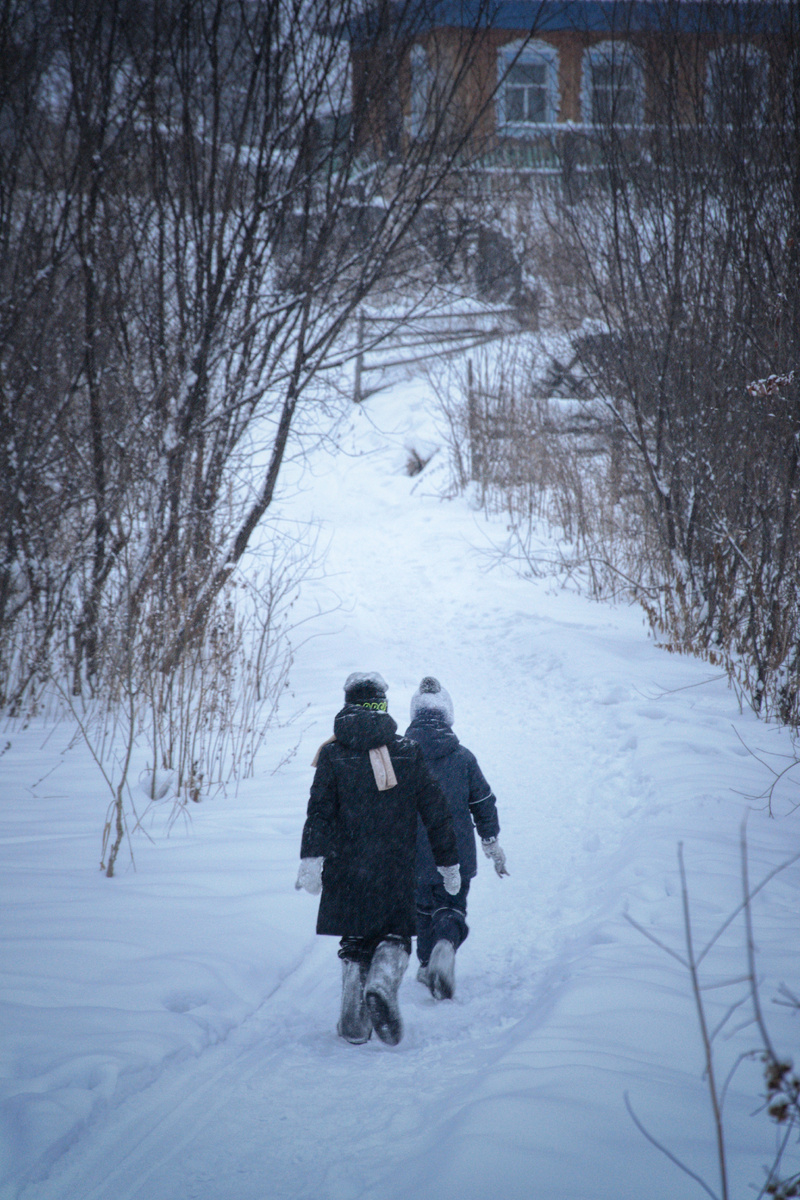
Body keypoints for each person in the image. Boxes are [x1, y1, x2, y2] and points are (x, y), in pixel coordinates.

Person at [296, 671, 460, 1047]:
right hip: (393, 867)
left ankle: (354, 1021)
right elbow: (436, 811)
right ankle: (383, 983)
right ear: (382, 707)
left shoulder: (332, 755)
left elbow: (319, 812)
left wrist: (311, 859)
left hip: (345, 867)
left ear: (348, 706)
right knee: (394, 936)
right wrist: (448, 861)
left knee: (355, 941)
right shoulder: (407, 752)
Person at [405, 676, 507, 1001]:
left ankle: (426, 964)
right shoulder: (462, 758)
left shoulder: (401, 759)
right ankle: (445, 946)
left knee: (422, 910)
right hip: (456, 853)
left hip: (413, 854)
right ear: (448, 715)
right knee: (450, 907)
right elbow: (483, 802)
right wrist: (490, 840)